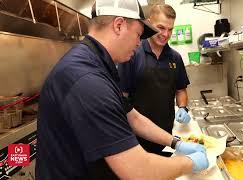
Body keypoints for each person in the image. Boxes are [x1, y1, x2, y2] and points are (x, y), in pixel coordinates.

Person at [35, 0, 209, 179]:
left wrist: (175, 143)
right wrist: (190, 163)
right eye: (138, 34)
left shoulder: (97, 63)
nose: (138, 43)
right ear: (118, 26)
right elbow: (138, 171)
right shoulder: (87, 80)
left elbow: (131, 116)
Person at [118, 4, 191, 156]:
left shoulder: (175, 58)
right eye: (161, 27)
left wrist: (183, 107)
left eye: (170, 29)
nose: (166, 34)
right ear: (149, 23)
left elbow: (181, 90)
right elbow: (122, 97)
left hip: (166, 137)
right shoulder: (132, 53)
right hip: (136, 138)